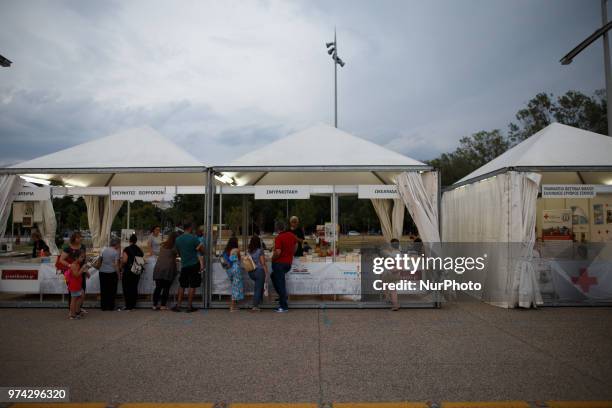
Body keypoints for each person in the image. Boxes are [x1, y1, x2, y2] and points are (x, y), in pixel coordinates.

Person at [173, 223, 204, 313]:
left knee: (182, 285)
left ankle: (178, 305)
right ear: (190, 228)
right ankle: (189, 306)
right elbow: (202, 250)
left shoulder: (178, 239)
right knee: (192, 285)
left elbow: (177, 252)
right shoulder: (194, 238)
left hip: (184, 265)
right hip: (194, 264)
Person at [59, 231, 89, 316]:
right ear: (74, 238)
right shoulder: (68, 248)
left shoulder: (83, 246)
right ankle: (71, 311)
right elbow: (61, 260)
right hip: (73, 273)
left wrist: (86, 270)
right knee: (73, 293)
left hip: (81, 271)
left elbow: (84, 259)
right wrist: (69, 265)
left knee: (82, 290)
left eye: (81, 237)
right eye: (78, 237)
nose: (80, 239)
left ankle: (78, 309)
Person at [271, 220, 297, 313]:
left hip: (279, 264)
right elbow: (296, 244)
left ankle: (283, 306)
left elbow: (278, 252)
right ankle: (283, 296)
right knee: (273, 276)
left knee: (281, 283)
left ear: (277, 228)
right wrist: (291, 253)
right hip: (288, 263)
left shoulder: (279, 237)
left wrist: (272, 258)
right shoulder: (291, 235)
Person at [152, 232, 178, 310]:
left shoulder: (163, 245)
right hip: (168, 269)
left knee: (158, 287)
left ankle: (154, 305)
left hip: (158, 268)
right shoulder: (174, 247)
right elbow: (177, 254)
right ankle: (163, 305)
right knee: (166, 288)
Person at [121, 234, 144, 311]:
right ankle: (133, 305)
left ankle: (128, 305)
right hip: (136, 271)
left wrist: (121, 265)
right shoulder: (139, 249)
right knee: (134, 288)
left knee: (127, 288)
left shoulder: (126, 249)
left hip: (128, 271)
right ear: (136, 241)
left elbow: (124, 260)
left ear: (129, 241)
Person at [98, 238, 121, 311]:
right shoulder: (115, 252)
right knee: (112, 290)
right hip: (111, 272)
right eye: (119, 244)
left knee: (104, 289)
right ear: (116, 244)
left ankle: (103, 306)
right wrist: (118, 274)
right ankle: (111, 306)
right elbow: (116, 265)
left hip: (102, 271)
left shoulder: (103, 250)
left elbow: (100, 260)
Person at [247, 235, 268, 311]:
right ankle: (255, 306)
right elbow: (262, 262)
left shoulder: (249, 250)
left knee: (257, 287)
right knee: (258, 288)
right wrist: (266, 272)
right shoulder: (260, 250)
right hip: (259, 271)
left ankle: (259, 301)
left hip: (251, 271)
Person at [224, 246, 244, 312]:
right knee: (235, 291)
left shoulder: (233, 260)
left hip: (234, 275)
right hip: (237, 276)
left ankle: (233, 306)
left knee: (234, 291)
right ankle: (232, 307)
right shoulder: (236, 261)